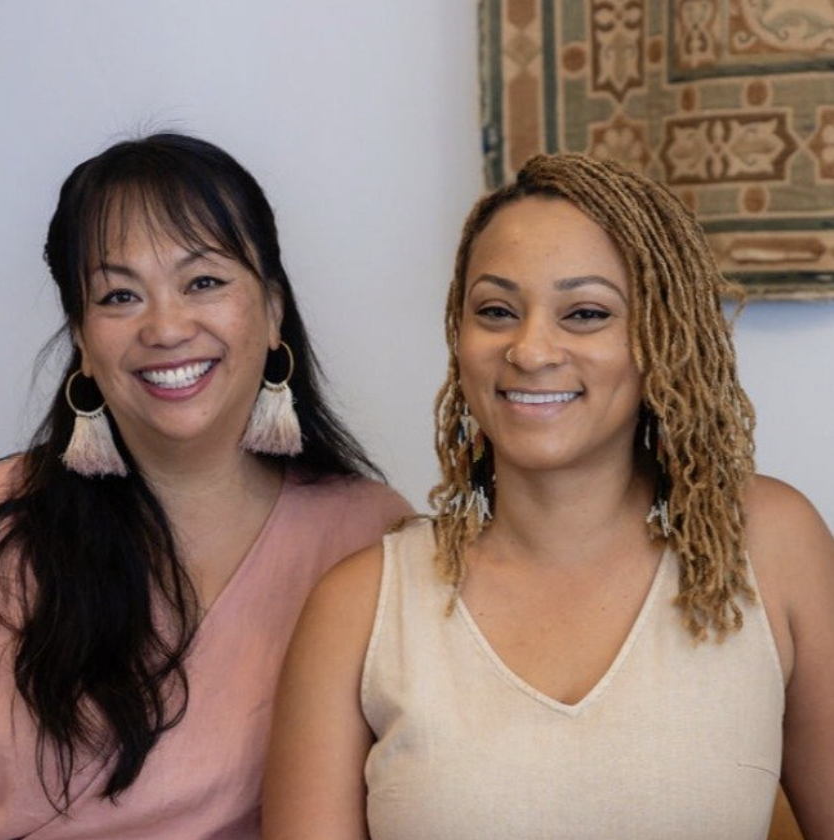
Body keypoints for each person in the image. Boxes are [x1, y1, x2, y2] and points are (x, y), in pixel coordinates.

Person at [262, 155, 834, 839]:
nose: (530, 351)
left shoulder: (769, 546)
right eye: (496, 311)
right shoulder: (359, 607)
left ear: (662, 338)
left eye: (585, 313)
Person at [0, 133, 411, 840]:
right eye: (119, 295)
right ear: (83, 340)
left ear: (272, 311)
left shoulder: (370, 540)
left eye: (203, 282)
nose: (166, 328)